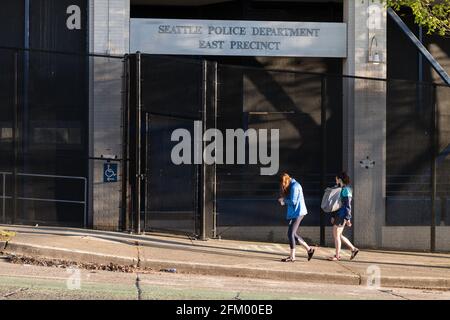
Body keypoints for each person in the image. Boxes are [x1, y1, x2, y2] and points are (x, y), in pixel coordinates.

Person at [278, 173, 315, 262]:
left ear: (286, 180)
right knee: (293, 234)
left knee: (290, 234)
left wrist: (283, 200)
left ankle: (292, 257)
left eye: (283, 183)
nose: (283, 186)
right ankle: (309, 250)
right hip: (297, 212)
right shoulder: (293, 185)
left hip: (298, 213)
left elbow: (293, 201)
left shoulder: (294, 186)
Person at [329, 172, 359, 261]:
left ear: (340, 179)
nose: (336, 180)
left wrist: (348, 218)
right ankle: (353, 249)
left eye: (336, 178)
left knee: (336, 235)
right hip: (339, 215)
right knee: (339, 235)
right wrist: (333, 216)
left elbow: (347, 206)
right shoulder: (342, 189)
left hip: (342, 216)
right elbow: (337, 204)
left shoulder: (346, 190)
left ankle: (337, 256)